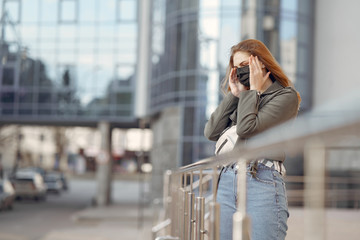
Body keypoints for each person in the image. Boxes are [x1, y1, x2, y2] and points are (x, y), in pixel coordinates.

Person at [204, 39, 301, 240]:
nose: (240, 71)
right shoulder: (243, 97)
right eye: (236, 67)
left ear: (261, 63)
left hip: (262, 179)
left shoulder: (285, 96)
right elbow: (211, 132)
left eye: (245, 65)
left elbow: (248, 129)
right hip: (228, 178)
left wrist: (253, 92)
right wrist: (234, 95)